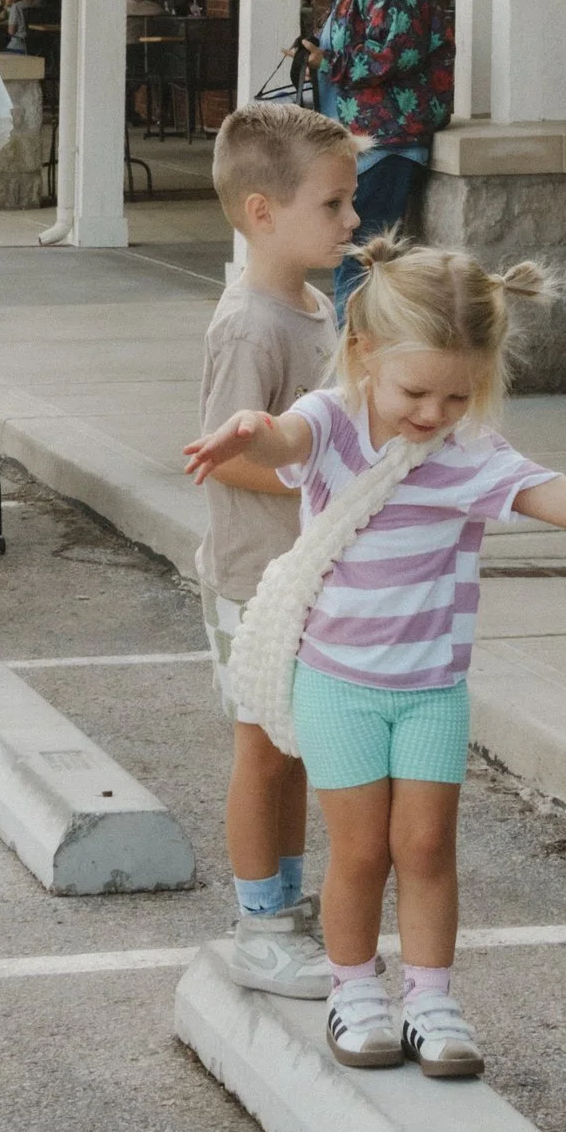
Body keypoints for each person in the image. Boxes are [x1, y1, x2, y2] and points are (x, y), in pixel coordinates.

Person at [184, 237, 566, 1081]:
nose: (432, 413)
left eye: (457, 394)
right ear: (362, 357)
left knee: (427, 846)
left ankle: (431, 1001)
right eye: (414, 391)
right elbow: (283, 439)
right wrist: (252, 428)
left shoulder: (469, 456)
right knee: (360, 852)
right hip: (339, 686)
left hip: (431, 689)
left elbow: (553, 493)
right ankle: (355, 992)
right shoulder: (331, 424)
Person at [195, 101, 359, 996]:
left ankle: (283, 912)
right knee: (263, 749)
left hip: (301, 575)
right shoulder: (252, 326)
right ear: (264, 211)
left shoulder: (305, 304)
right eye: (332, 205)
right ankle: (261, 926)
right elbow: (224, 459)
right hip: (255, 580)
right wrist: (326, 482)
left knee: (293, 745)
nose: (351, 220)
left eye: (349, 203)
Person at [305, 0, 450, 313]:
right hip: (364, 141)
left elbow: (396, 51)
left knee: (359, 256)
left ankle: (355, 357)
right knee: (354, 254)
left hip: (388, 141)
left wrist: (328, 60)